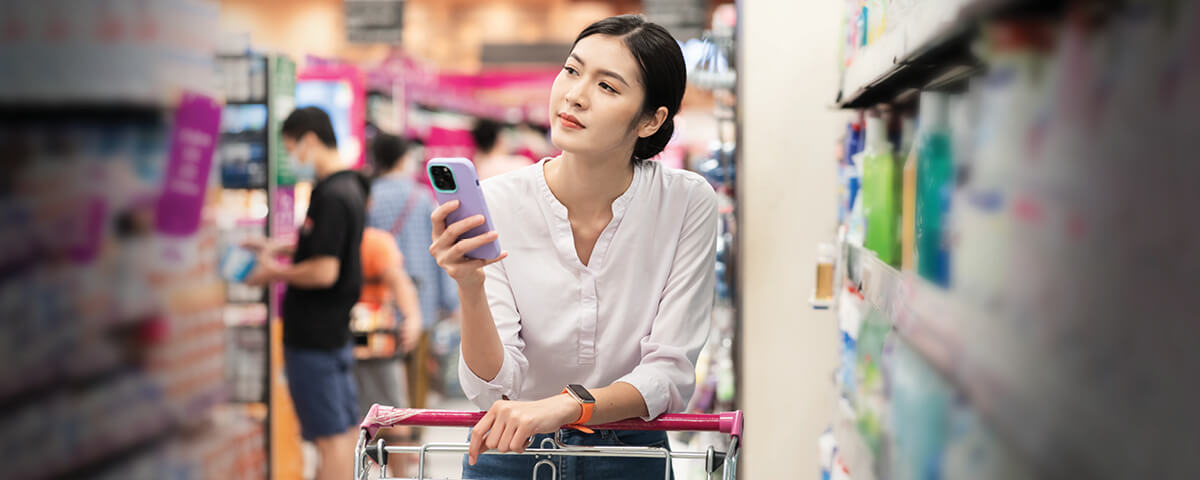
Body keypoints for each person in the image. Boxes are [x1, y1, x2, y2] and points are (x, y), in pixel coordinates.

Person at [429, 15, 716, 479]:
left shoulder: (685, 203)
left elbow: (670, 370)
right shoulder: (498, 202)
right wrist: (469, 286)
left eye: (607, 87)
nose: (575, 95)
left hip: (630, 450)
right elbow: (494, 389)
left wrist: (567, 408)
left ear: (650, 120)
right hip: (511, 448)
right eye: (572, 70)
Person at [245, 106, 366, 480]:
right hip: (334, 333)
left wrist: (272, 274)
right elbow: (328, 248)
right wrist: (283, 248)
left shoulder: (329, 195)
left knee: (328, 440)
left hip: (314, 339)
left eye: (292, 148)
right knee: (343, 433)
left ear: (310, 141)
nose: (293, 158)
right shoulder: (352, 185)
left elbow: (324, 270)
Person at [367, 133, 459, 411]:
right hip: (421, 300)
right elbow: (440, 244)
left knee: (378, 376)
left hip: (377, 302)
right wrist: (450, 299)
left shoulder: (368, 196)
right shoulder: (421, 198)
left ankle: (381, 434)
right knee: (417, 373)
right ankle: (414, 432)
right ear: (402, 158)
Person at [353, 225, 423, 424]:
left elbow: (397, 279)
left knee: (389, 414)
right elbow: (398, 279)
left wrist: (412, 318)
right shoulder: (376, 241)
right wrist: (412, 318)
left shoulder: (373, 242)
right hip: (370, 338)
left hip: (372, 339)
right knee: (389, 413)